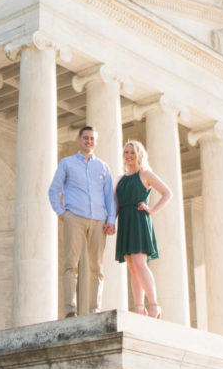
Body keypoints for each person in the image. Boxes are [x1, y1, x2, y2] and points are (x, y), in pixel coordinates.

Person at [48, 125, 116, 317]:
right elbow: (54, 189)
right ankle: (70, 309)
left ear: (96, 142)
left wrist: (111, 219)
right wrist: (61, 212)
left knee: (97, 267)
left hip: (98, 220)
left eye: (92, 139)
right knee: (71, 264)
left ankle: (95, 309)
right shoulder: (67, 163)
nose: (88, 141)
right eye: (85, 138)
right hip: (74, 217)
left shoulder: (103, 167)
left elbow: (109, 196)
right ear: (79, 140)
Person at [114, 140, 172, 318]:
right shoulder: (120, 179)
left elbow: (167, 193)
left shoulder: (145, 174)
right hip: (125, 220)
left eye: (132, 152)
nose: (129, 155)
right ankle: (139, 308)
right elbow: (116, 203)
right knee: (132, 266)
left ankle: (154, 305)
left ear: (139, 154)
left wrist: (152, 210)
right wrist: (110, 221)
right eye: (126, 152)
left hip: (139, 219)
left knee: (140, 263)